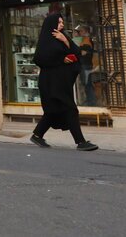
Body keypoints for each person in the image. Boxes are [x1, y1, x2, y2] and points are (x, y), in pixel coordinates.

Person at [29, 13, 98, 151]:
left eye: (62, 22)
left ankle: (37, 135)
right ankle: (80, 142)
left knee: (53, 111)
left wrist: (65, 41)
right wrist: (61, 60)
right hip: (50, 83)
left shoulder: (63, 36)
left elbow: (77, 53)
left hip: (62, 83)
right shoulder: (46, 40)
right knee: (70, 109)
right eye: (59, 22)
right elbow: (39, 59)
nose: (62, 24)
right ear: (52, 24)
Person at [74, 25, 96, 106]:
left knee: (87, 83)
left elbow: (84, 52)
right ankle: (89, 100)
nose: (79, 33)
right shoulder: (84, 40)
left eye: (81, 31)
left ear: (85, 31)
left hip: (86, 65)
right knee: (86, 83)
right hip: (85, 64)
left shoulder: (86, 40)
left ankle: (91, 102)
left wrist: (77, 49)